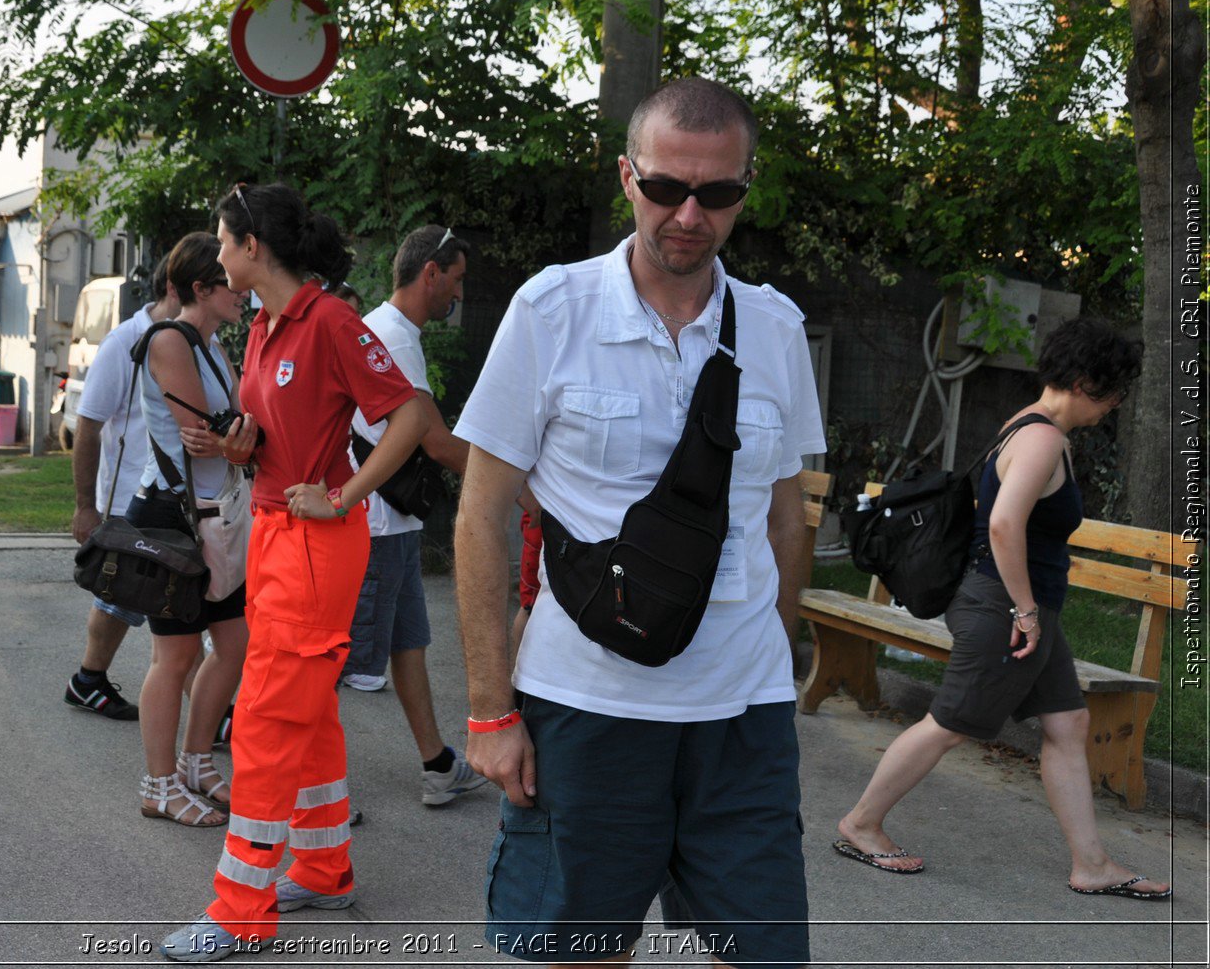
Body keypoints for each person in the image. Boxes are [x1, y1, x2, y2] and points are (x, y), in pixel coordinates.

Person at [453, 78, 824, 968]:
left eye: (717, 192)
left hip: (741, 717)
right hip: (587, 706)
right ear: (628, 178)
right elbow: (482, 513)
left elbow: (786, 516)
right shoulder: (552, 311)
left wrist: (769, 661)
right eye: (666, 188)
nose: (689, 214)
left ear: (745, 189)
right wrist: (489, 709)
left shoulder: (775, 329)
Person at [160, 183, 428, 962]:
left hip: (316, 542)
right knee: (304, 712)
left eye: (221, 240)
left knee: (271, 720)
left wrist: (343, 491)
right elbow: (283, 431)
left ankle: (241, 910)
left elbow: (410, 414)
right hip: (278, 534)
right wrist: (247, 448)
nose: (215, 253)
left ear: (252, 247)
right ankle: (322, 865)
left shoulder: (332, 320)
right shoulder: (268, 323)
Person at [834, 317, 1168, 899]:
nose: (1113, 407)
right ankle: (861, 824)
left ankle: (1091, 864)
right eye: (1114, 395)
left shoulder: (1024, 424)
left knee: (1069, 724)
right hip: (1005, 608)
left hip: (1016, 605)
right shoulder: (1042, 439)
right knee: (950, 724)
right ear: (1088, 382)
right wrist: (1025, 612)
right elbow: (1004, 523)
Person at [336, 224, 489, 807]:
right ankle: (311, 789)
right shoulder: (394, 339)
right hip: (376, 526)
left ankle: (438, 766)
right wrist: (520, 485)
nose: (457, 294)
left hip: (390, 524)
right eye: (455, 280)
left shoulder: (390, 330)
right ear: (431, 273)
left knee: (408, 647)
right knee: (340, 667)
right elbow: (439, 444)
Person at [132, 236, 251, 827]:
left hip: (215, 515)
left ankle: (197, 763)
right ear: (201, 288)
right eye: (231, 283)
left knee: (233, 645)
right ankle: (159, 786)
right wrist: (235, 435)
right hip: (173, 516)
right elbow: (207, 431)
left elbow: (231, 431)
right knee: (174, 655)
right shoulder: (171, 339)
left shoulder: (210, 345)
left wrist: (234, 434)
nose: (243, 293)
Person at [67, 259, 182, 720]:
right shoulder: (124, 342)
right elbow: (88, 427)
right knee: (122, 598)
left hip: (174, 496)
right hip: (130, 499)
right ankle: (88, 680)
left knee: (149, 600)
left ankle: (88, 681)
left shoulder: (194, 340)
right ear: (175, 287)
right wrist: (84, 507)